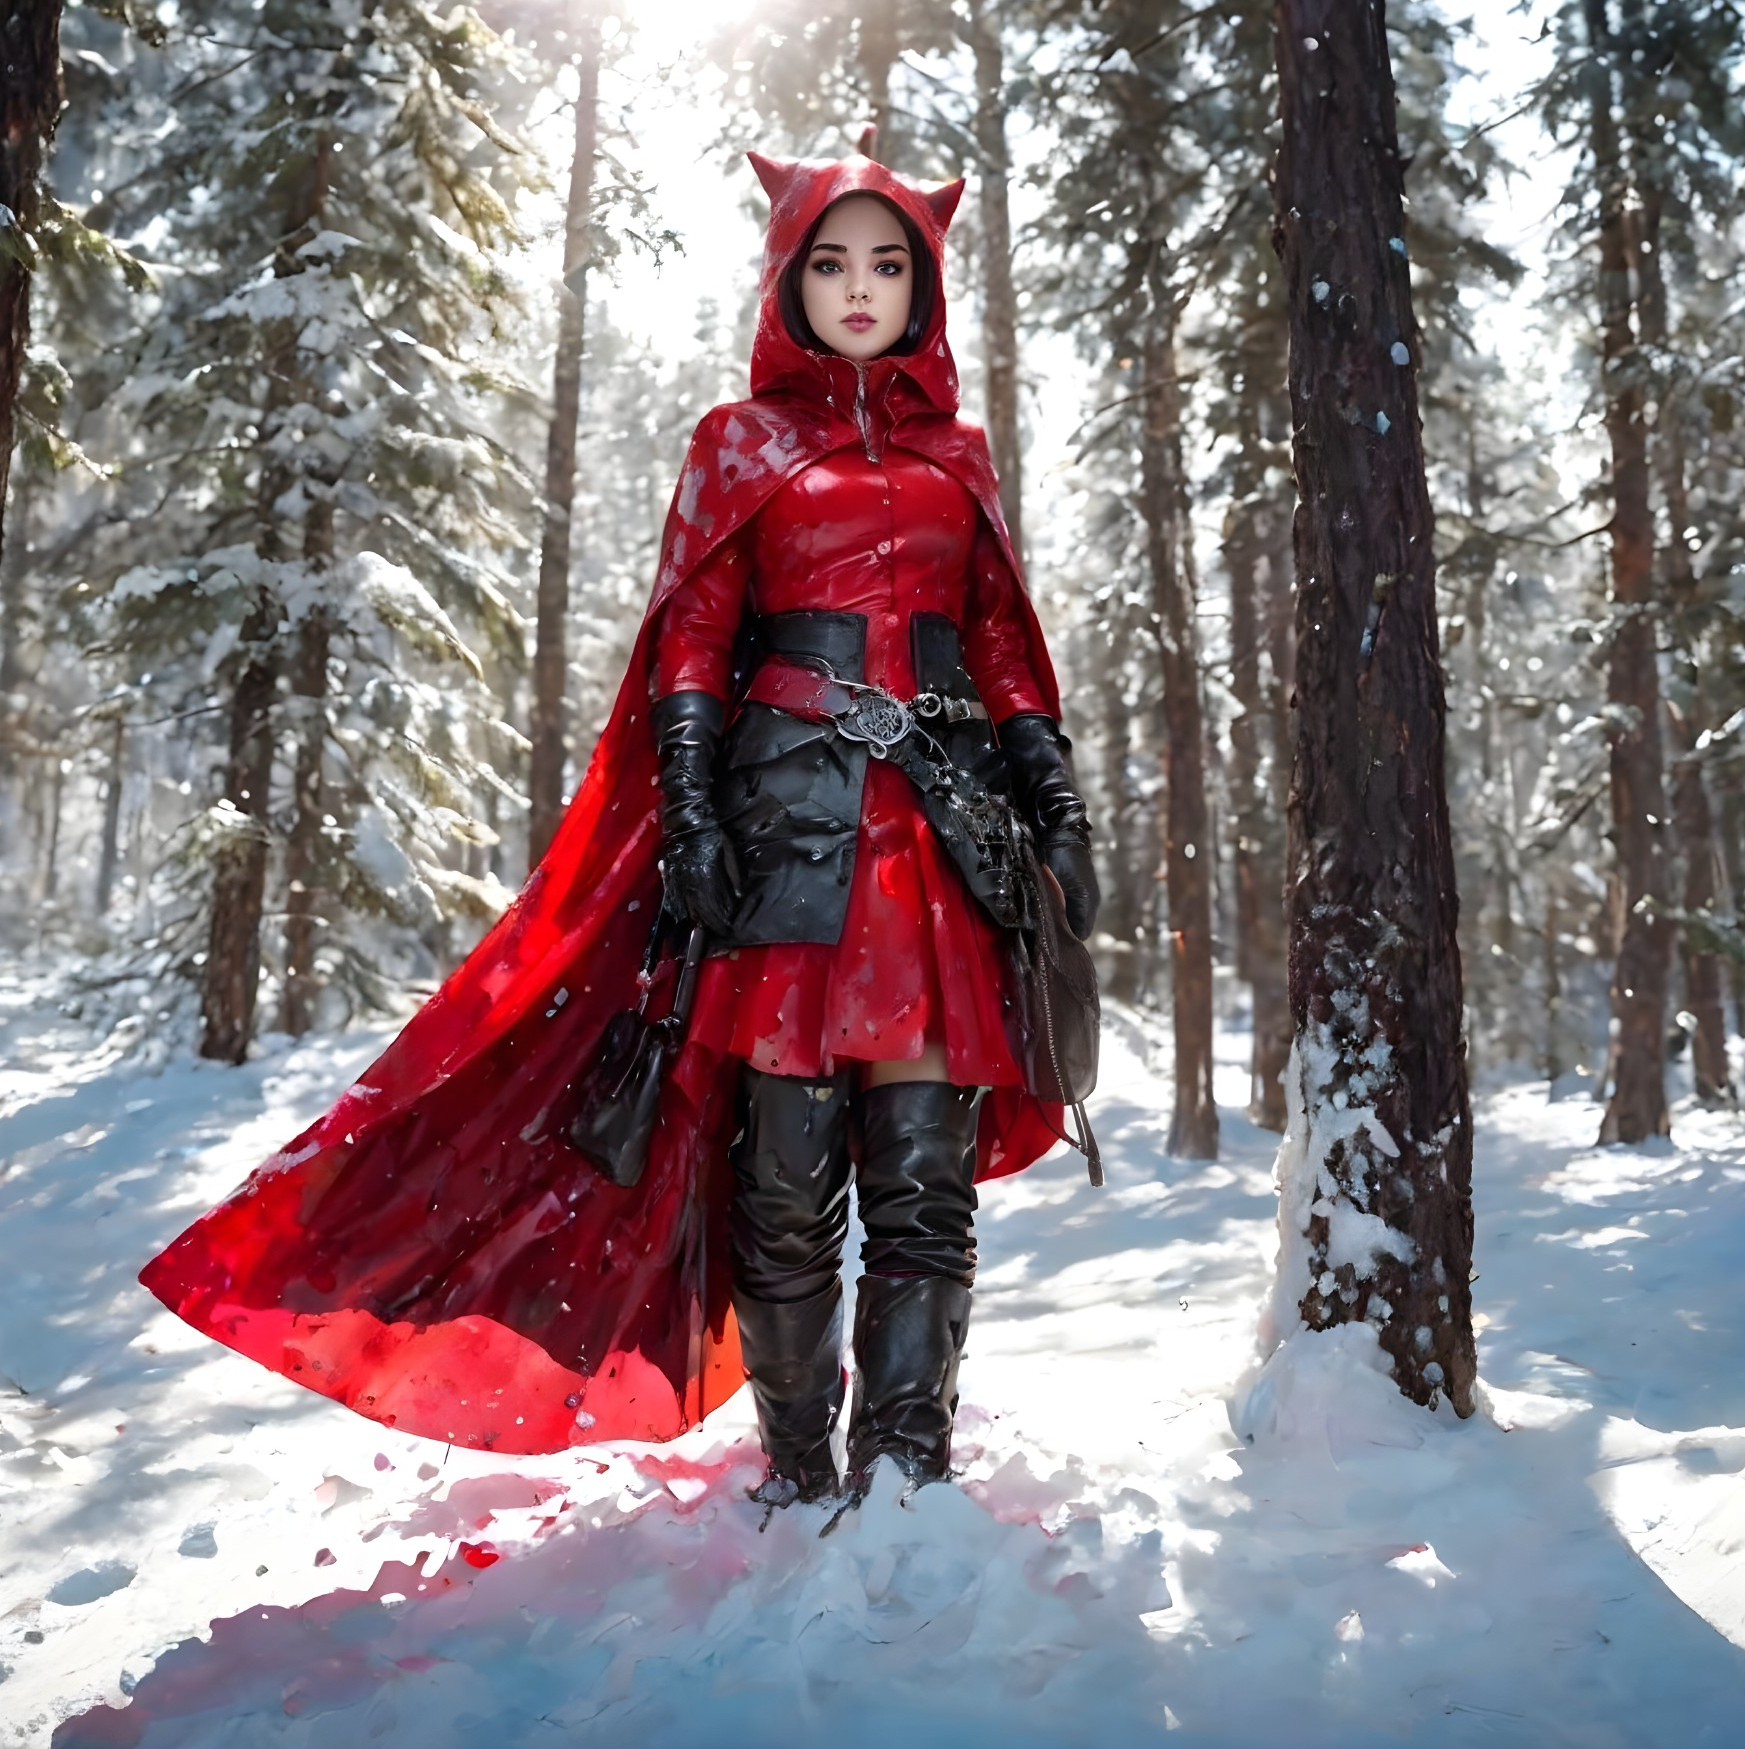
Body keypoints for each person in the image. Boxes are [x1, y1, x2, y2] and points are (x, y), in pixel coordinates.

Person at [142, 145, 1097, 1512]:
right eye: (831, 262)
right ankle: (798, 1469)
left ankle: (907, 1469)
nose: (861, 288)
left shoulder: (962, 455)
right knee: (781, 1188)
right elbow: (694, 639)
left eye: (890, 263)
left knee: (924, 1185)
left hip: (939, 848)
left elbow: (1001, 642)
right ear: (787, 281)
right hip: (783, 839)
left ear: (927, 283)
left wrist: (1052, 795)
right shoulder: (738, 441)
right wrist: (696, 808)